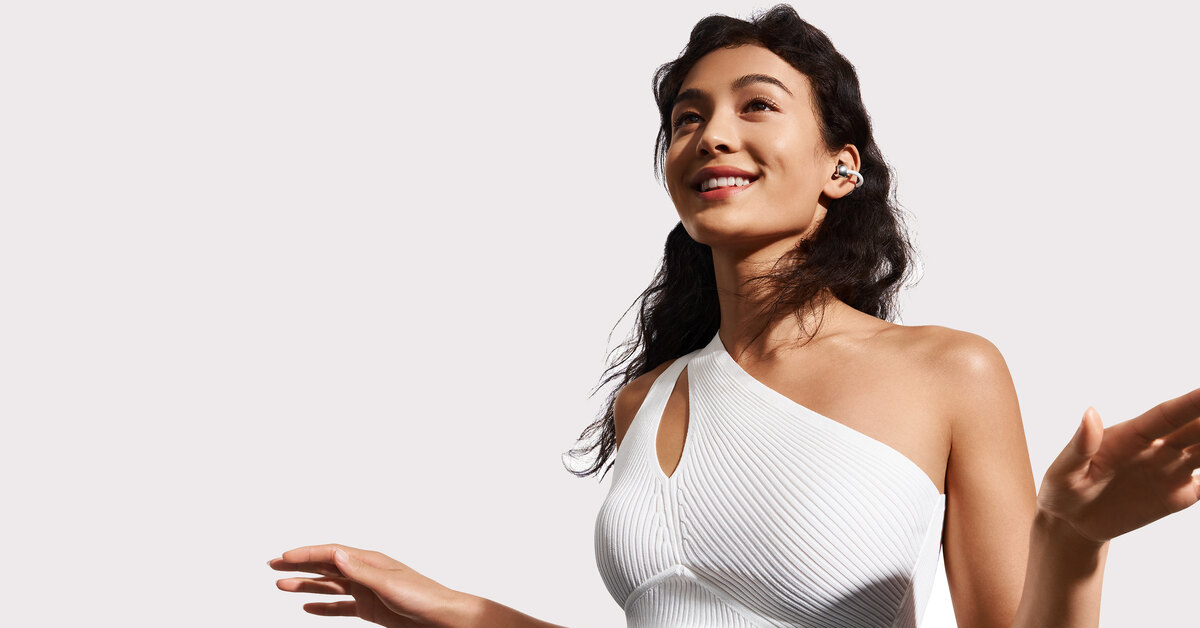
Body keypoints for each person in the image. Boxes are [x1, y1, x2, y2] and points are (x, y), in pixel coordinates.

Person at [266, 6, 1200, 627]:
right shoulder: (646, 399)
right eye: (688, 118)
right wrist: (454, 611)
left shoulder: (949, 371)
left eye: (757, 107)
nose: (712, 134)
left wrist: (1074, 538)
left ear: (841, 166)